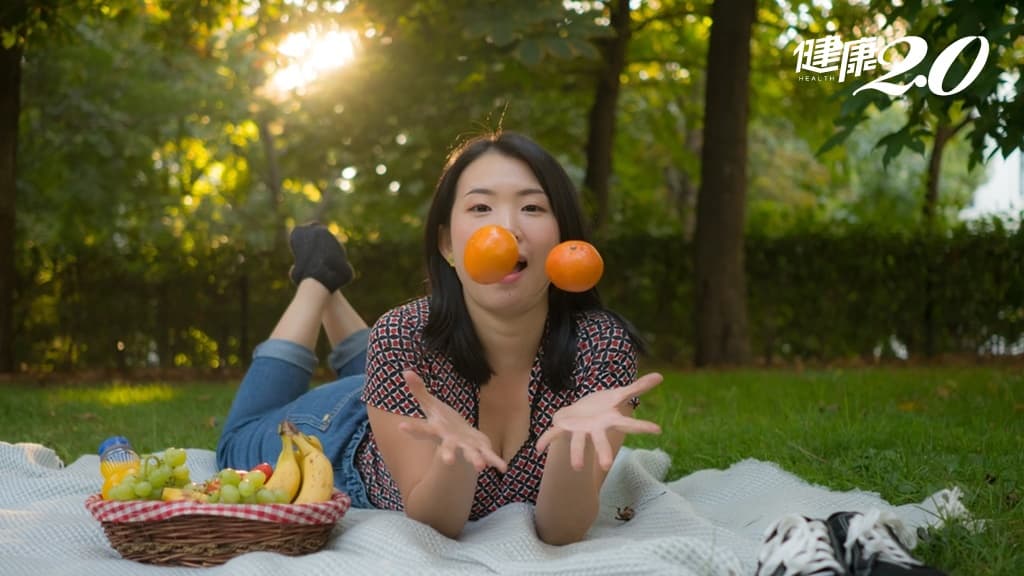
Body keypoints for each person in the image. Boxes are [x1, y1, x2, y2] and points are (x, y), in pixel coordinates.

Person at [216, 131, 664, 545]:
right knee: (233, 442)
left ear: (563, 240)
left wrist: (571, 443)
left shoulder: (601, 347)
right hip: (342, 431)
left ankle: (330, 286)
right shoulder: (400, 334)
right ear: (448, 244)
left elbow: (561, 530)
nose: (506, 228)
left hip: (400, 388)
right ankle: (316, 284)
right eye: (480, 208)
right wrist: (457, 458)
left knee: (398, 366)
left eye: (532, 207)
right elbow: (437, 524)